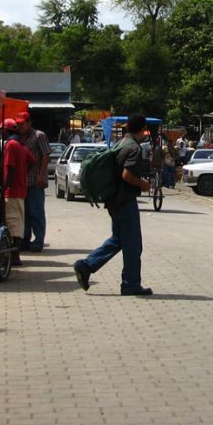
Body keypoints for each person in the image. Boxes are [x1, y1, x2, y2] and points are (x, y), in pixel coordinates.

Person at [73, 114, 153, 296]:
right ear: (142, 129)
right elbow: (127, 175)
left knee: (118, 240)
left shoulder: (120, 143)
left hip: (114, 200)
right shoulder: (134, 148)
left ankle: (86, 266)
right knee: (133, 245)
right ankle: (130, 284)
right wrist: (143, 184)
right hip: (125, 201)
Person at [2, 119, 36, 265]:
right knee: (18, 223)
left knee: (12, 224)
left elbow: (10, 168)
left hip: (12, 191)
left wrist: (5, 186)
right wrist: (23, 174)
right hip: (20, 190)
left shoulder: (11, 145)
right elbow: (33, 161)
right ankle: (15, 255)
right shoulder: (21, 145)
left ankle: (14, 256)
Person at [16, 112, 50, 252]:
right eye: (18, 124)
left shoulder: (39, 135)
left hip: (35, 182)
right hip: (23, 183)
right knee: (25, 214)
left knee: (36, 213)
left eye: (22, 124)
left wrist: (41, 176)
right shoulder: (18, 138)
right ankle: (25, 240)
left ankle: (38, 241)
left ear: (29, 123)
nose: (20, 126)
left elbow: (46, 155)